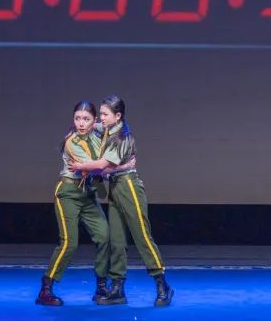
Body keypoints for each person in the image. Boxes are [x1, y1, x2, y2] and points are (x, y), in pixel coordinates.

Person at [70, 95, 173, 307]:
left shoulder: (121, 137)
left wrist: (81, 166)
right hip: (115, 187)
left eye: (105, 114)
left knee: (142, 236)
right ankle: (117, 288)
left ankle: (162, 284)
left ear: (118, 116)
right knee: (117, 240)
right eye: (100, 114)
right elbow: (90, 125)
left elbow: (102, 166)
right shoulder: (107, 128)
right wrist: (84, 123)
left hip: (128, 186)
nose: (101, 118)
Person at [36, 101, 111, 306]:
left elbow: (111, 125)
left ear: (94, 120)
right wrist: (123, 166)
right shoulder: (72, 142)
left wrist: (107, 124)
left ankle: (101, 286)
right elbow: (97, 168)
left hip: (87, 194)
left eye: (86, 119)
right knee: (69, 242)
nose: (81, 123)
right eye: (77, 118)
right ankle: (46, 288)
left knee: (104, 236)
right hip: (68, 193)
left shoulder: (97, 133)